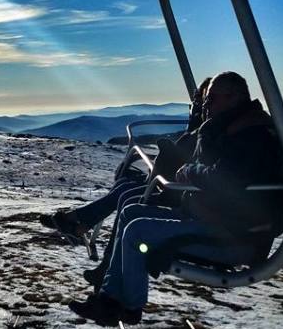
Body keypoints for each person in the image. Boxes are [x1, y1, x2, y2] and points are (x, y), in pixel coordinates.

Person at [68, 71, 283, 326]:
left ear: (234, 98)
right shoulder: (232, 128)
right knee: (131, 212)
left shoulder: (251, 135)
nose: (206, 106)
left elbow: (226, 178)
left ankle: (129, 306)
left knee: (138, 230)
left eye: (212, 100)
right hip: (215, 217)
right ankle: (109, 297)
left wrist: (190, 172)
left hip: (230, 233)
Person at [39, 77, 212, 245]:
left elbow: (192, 158)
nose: (197, 104)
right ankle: (80, 224)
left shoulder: (207, 132)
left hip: (177, 190)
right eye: (196, 99)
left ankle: (79, 226)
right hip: (172, 183)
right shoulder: (199, 128)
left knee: (126, 194)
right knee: (124, 186)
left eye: (201, 99)